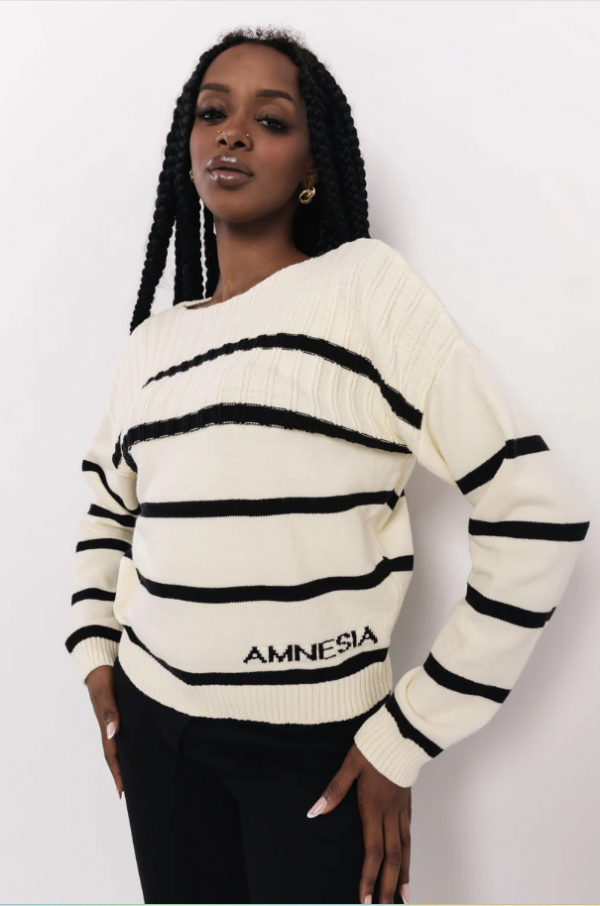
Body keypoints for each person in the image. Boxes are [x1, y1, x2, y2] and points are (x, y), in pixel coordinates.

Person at [65, 25, 590, 906]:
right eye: (212, 113)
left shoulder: (365, 290)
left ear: (313, 167)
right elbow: (107, 507)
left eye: (271, 120)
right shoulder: (154, 343)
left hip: (315, 756)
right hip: (155, 732)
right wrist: (95, 654)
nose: (233, 132)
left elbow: (538, 513)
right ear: (187, 148)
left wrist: (407, 733)